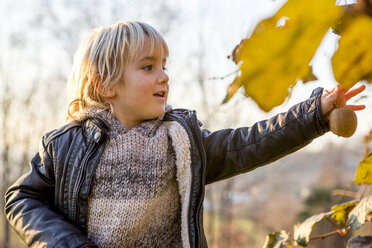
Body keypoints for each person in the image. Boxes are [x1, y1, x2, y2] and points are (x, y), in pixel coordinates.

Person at [4, 21, 366, 248]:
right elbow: (20, 198)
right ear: (105, 85)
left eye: (164, 66)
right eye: (148, 67)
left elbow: (248, 144)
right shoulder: (66, 145)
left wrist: (312, 114)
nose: (164, 76)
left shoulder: (181, 141)